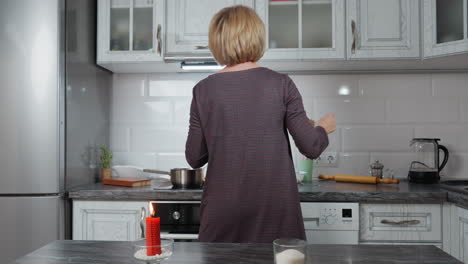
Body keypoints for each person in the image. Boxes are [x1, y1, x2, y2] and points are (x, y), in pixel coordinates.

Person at [185, 5, 336, 243]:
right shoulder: (281, 84)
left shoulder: (202, 90)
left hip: (222, 213)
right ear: (257, 37)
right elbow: (311, 146)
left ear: (217, 42)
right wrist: (323, 128)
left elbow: (195, 157)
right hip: (274, 211)